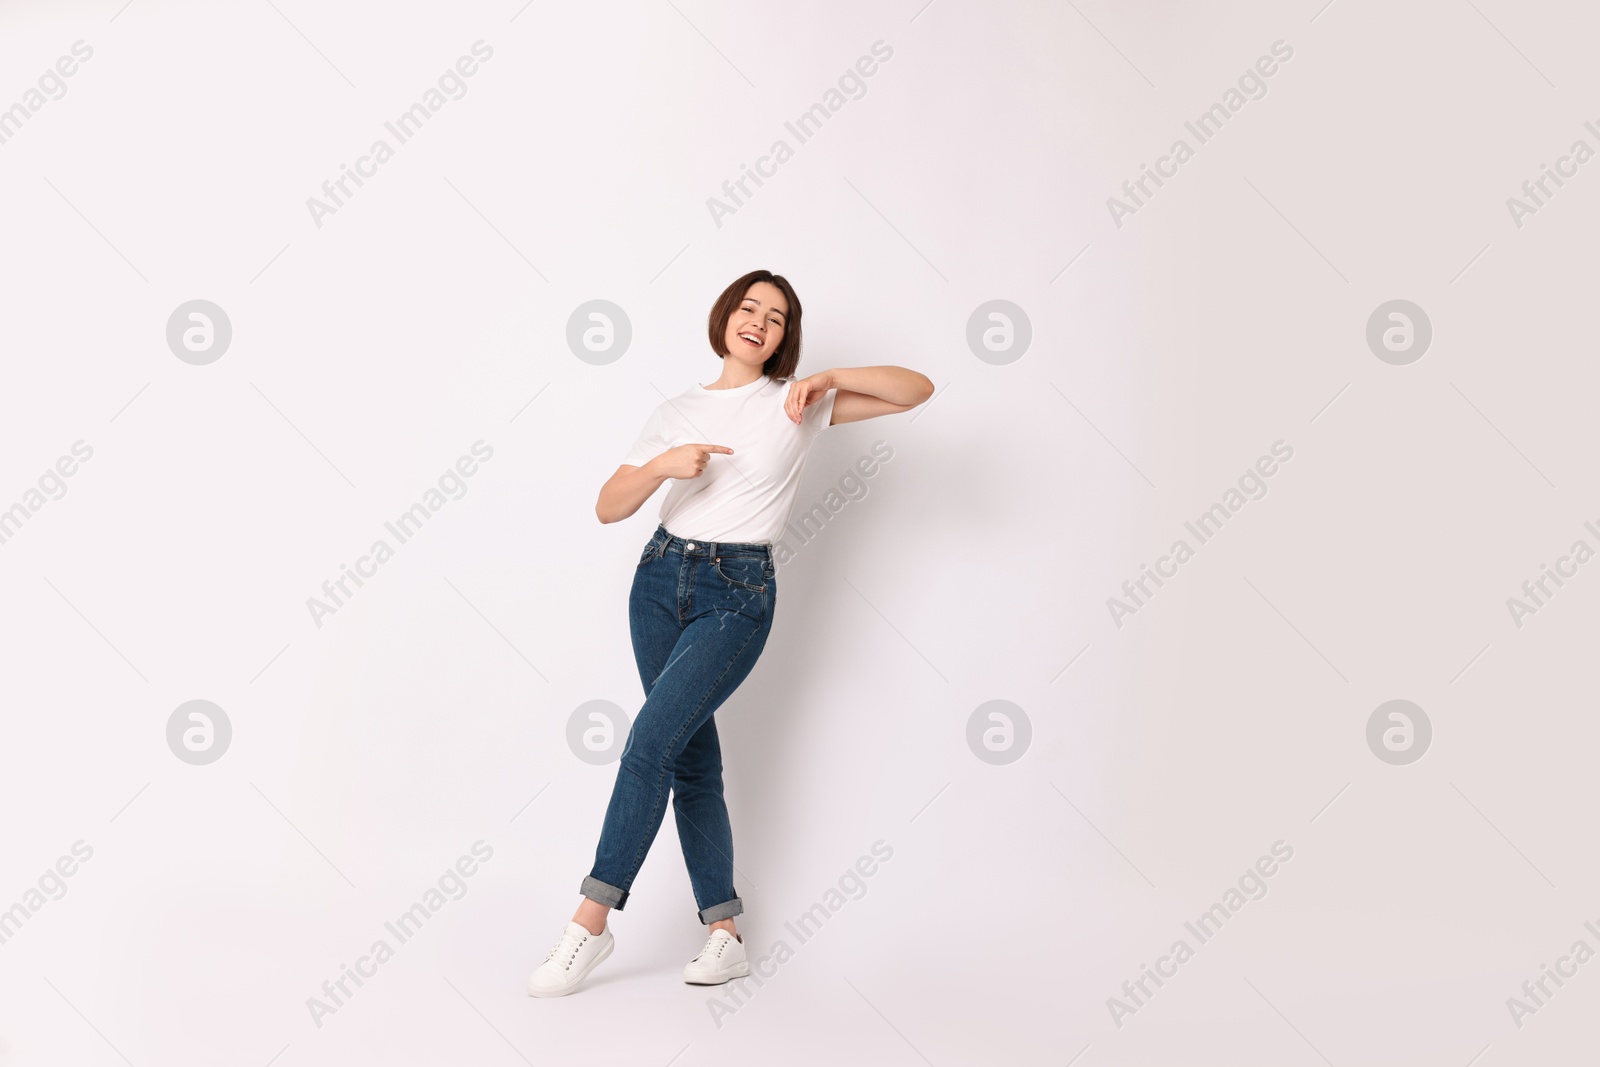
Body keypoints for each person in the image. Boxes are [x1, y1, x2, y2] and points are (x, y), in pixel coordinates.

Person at [527, 269, 934, 997]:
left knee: (651, 741)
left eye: (776, 318)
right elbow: (608, 506)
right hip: (657, 581)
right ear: (724, 317)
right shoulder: (675, 409)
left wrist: (830, 375)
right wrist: (661, 465)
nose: (758, 322)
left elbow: (918, 389)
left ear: (785, 338)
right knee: (688, 760)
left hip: (738, 593)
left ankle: (590, 922)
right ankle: (725, 934)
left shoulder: (797, 401)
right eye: (748, 308)